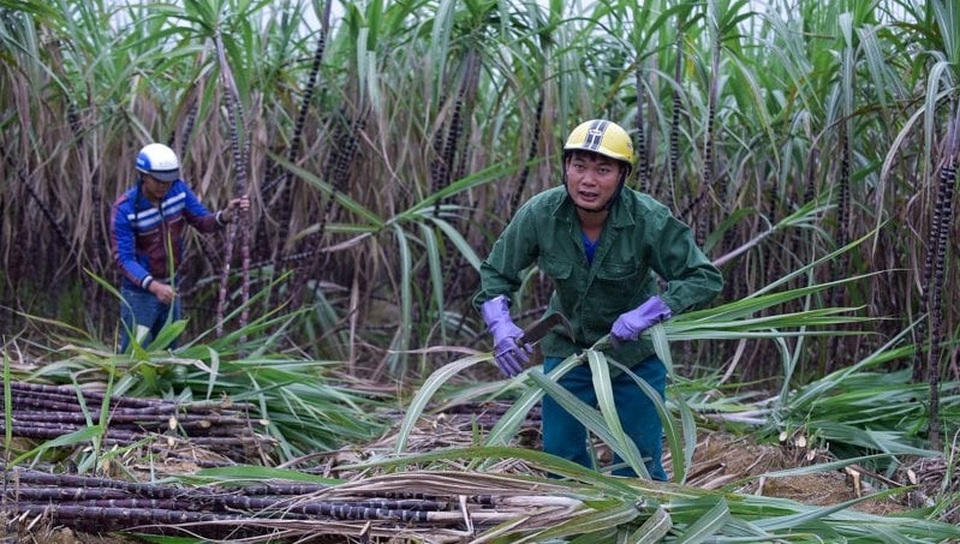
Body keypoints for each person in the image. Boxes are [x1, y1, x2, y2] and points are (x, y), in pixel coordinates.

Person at [474, 119, 723, 480]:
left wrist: (648, 313)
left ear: (623, 175)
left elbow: (703, 277)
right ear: (566, 168)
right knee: (561, 455)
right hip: (568, 350)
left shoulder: (648, 219)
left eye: (603, 169)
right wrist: (500, 325)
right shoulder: (541, 213)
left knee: (639, 459)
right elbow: (496, 274)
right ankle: (577, 520)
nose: (588, 180)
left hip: (633, 355)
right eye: (579, 166)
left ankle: (640, 523)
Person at [110, 142, 250, 352]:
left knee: (168, 355)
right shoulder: (126, 209)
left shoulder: (179, 192)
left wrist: (226, 215)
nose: (163, 186)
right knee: (135, 357)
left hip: (171, 287)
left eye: (168, 180)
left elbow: (203, 221)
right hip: (139, 294)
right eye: (157, 181)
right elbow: (124, 259)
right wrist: (155, 287)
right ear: (143, 176)